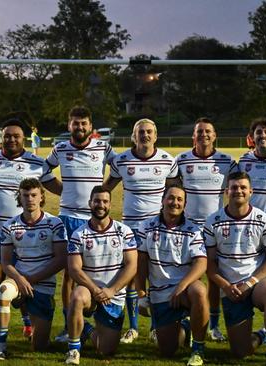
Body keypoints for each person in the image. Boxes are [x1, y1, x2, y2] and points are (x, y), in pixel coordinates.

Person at [0, 118, 61, 341]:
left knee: (23, 277)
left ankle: (27, 323)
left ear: (24, 138)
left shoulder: (36, 163)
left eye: (16, 136)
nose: (11, 139)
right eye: (7, 136)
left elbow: (56, 187)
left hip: (25, 234)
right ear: (0, 138)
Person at [103, 118, 178, 343]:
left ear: (155, 136)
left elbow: (175, 192)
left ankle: (156, 327)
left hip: (158, 228)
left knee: (156, 277)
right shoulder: (121, 160)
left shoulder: (167, 160)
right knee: (133, 277)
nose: (145, 135)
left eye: (149, 132)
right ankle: (133, 327)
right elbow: (107, 188)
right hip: (131, 228)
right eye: (140, 132)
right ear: (134, 136)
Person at [46, 106, 116, 343]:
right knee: (68, 273)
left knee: (95, 269)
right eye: (75, 123)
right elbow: (44, 171)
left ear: (90, 126)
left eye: (84, 123)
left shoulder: (103, 147)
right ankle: (69, 324)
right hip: (67, 216)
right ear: (69, 126)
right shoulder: (60, 149)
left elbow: (118, 168)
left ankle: (96, 319)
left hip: (93, 218)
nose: (79, 127)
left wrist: (103, 191)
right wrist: (62, 191)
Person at [204, 172, 266, 366]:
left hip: (256, 284)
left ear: (251, 191)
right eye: (234, 187)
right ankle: (262, 335)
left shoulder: (263, 219)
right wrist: (225, 286)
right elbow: (210, 263)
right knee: (241, 352)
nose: (238, 191)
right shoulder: (213, 221)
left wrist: (250, 282)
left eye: (242, 187)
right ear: (226, 191)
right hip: (231, 289)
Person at [175, 117, 238, 342]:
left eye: (208, 131)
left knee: (213, 276)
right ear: (194, 135)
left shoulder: (227, 161)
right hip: (188, 228)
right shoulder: (181, 160)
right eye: (199, 131)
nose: (204, 135)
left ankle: (213, 325)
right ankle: (186, 320)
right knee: (187, 275)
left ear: (215, 135)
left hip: (215, 228)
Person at [0, 178, 68, 360]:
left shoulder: (54, 223)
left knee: (39, 347)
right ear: (20, 197)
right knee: (2, 291)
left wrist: (31, 280)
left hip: (42, 284)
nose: (30, 199)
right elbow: (5, 262)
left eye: (34, 195)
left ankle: (28, 303)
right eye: (25, 195)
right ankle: (0, 347)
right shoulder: (10, 225)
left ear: (41, 196)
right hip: (19, 280)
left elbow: (61, 260)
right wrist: (21, 280)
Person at [135, 185, 209, 366]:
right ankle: (185, 325)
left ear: (184, 205)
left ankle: (198, 349)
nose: (174, 202)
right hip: (160, 294)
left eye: (179, 199)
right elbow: (141, 261)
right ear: (162, 200)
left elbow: (201, 263)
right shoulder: (146, 226)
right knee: (167, 351)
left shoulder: (193, 229)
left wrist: (181, 287)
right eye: (171, 198)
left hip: (184, 290)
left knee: (199, 291)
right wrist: (141, 293)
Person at [65, 186, 137, 365]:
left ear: (110, 204)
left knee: (106, 350)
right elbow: (74, 269)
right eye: (97, 201)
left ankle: (86, 329)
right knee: (77, 296)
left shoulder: (124, 231)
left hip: (113, 295)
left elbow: (132, 266)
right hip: (90, 291)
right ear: (90, 203)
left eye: (105, 201)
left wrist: (111, 290)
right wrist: (95, 289)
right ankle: (74, 349)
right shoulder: (79, 234)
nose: (100, 205)